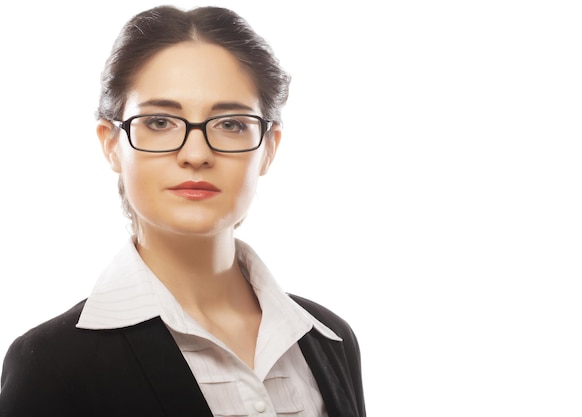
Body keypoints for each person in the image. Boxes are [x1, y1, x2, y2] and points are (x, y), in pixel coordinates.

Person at [0, 5, 365, 417]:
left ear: (269, 148)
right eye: (159, 122)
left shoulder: (330, 338)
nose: (196, 154)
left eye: (230, 124)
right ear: (110, 143)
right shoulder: (52, 363)